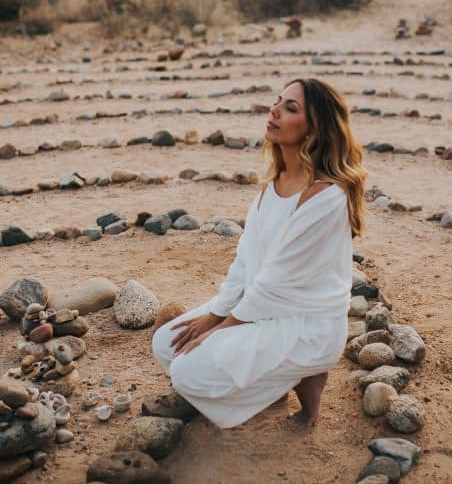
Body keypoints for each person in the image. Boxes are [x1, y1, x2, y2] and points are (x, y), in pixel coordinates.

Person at [151, 77, 367, 428]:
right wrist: (215, 314)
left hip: (307, 324)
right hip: (262, 308)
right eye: (278, 101)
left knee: (187, 371)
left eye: (290, 108)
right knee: (167, 343)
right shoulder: (273, 187)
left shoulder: (327, 197)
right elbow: (246, 261)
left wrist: (224, 327)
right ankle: (276, 379)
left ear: (315, 129)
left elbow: (276, 283)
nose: (275, 109)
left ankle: (303, 374)